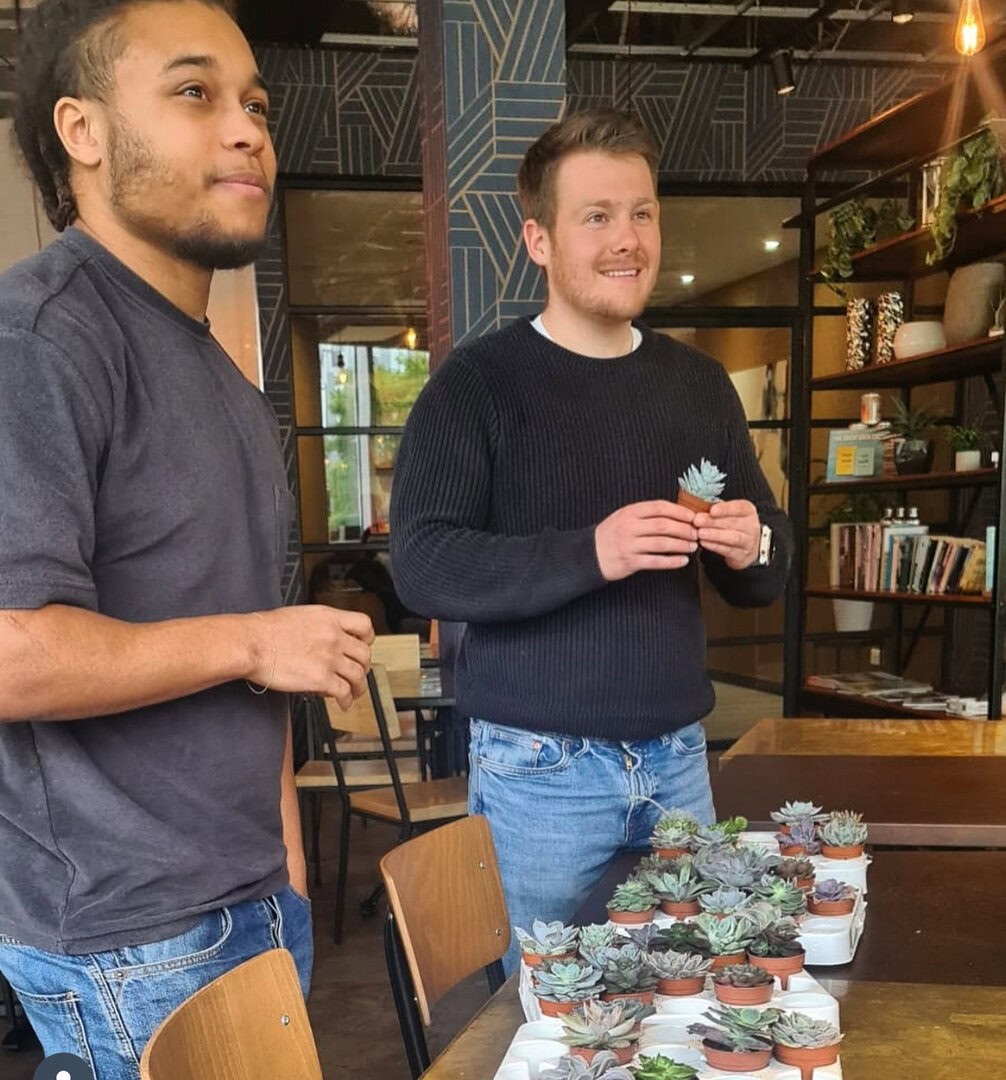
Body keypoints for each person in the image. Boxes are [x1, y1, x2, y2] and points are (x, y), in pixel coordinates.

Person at [0, 1, 374, 1075]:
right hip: (131, 937)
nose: (248, 128)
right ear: (83, 130)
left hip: (250, 900)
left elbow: (248, 670)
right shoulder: (37, 339)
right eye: (195, 93)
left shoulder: (217, 372)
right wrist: (256, 640)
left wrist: (286, 873)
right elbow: (12, 651)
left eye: (255, 102)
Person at [390, 108, 792, 972]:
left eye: (641, 213)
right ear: (539, 239)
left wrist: (751, 542)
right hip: (540, 773)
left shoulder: (699, 386)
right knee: (554, 1014)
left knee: (697, 996)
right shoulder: (477, 385)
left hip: (680, 760)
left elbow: (764, 574)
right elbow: (422, 564)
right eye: (597, 216)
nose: (627, 239)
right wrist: (593, 553)